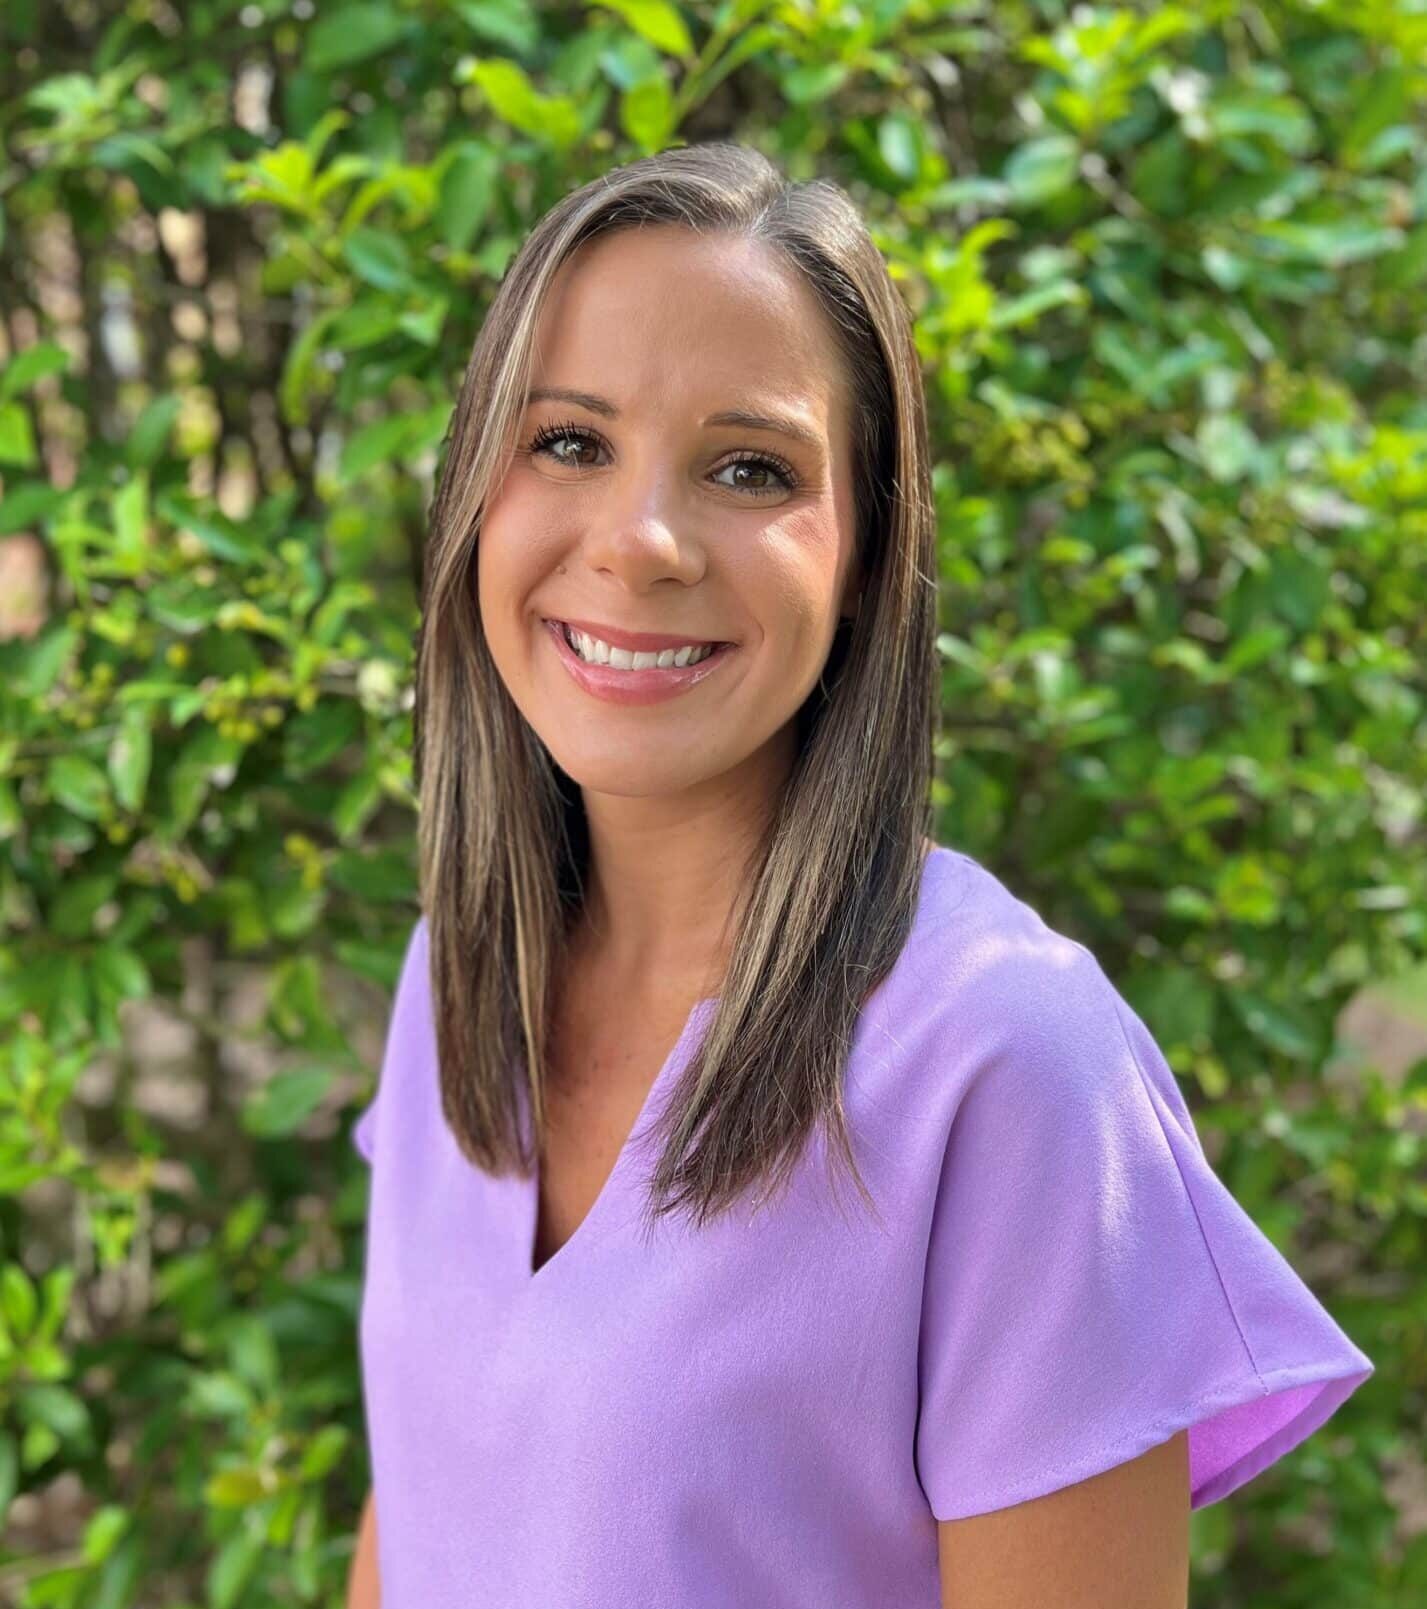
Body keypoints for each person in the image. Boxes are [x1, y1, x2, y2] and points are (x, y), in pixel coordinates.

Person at [345, 141, 1373, 1608]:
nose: (639, 541)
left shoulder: (1011, 1065)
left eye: (750, 467)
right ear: (475, 497)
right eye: (567, 439)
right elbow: (432, 1512)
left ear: (864, 557)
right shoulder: (458, 976)